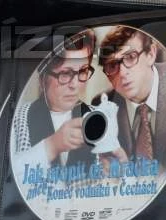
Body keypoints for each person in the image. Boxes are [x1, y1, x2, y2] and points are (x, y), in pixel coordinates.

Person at [98, 25, 166, 172]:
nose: (122, 73)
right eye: (112, 65)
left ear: (151, 54)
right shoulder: (102, 105)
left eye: (130, 57)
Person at [12, 29, 100, 171]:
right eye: (65, 73)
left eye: (83, 71)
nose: (75, 85)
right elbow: (9, 174)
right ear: (42, 79)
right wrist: (53, 145)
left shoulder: (98, 117)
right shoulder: (18, 119)